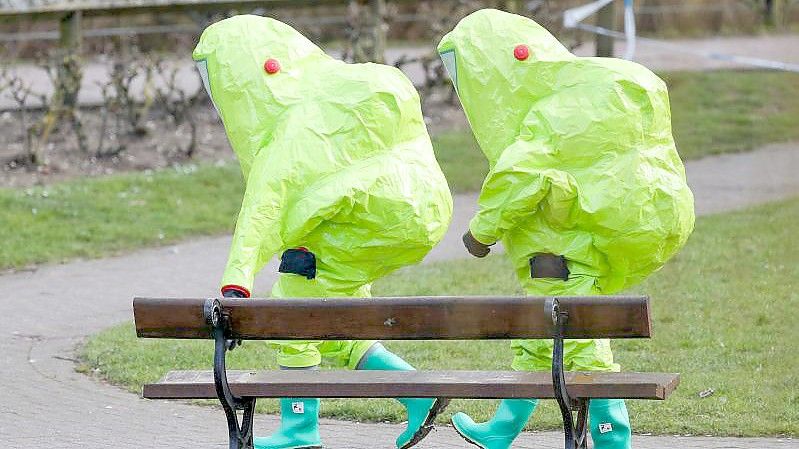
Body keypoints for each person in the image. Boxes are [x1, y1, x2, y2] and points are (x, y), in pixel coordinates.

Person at [437, 9, 695, 449]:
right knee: (538, 344)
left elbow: (520, 176)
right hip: (571, 249)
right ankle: (501, 430)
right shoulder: (572, 101)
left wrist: (481, 232)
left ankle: (614, 438)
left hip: (559, 258)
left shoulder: (550, 113)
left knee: (581, 349)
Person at [193, 15, 453, 449]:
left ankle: (299, 426)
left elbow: (263, 207)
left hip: (362, 216)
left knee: (294, 299)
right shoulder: (342, 87)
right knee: (335, 316)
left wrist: (236, 283)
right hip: (414, 210)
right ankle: (415, 391)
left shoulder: (298, 124)